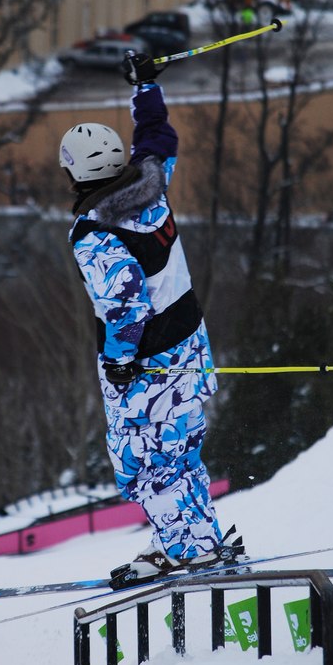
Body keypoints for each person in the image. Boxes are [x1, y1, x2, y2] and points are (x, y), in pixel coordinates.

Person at [58, 51, 247, 590]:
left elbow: (125, 305)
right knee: (179, 453)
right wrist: (145, 88)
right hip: (189, 347)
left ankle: (190, 550)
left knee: (142, 464)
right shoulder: (150, 183)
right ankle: (189, 540)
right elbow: (158, 139)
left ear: (73, 170)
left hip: (149, 366)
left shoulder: (94, 233)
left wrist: (119, 362)